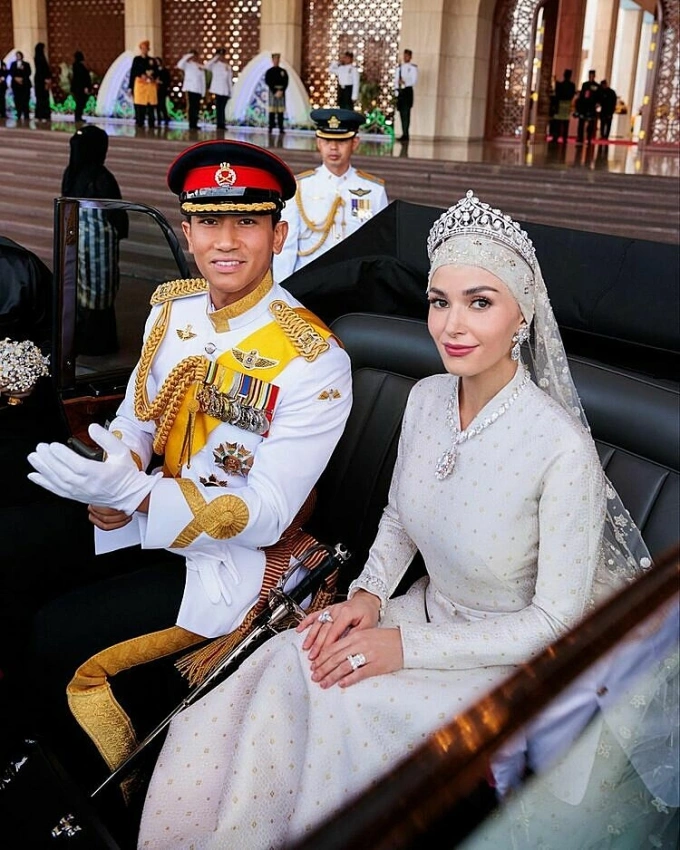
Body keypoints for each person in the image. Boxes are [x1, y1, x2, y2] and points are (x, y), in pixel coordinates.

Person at [134, 188, 677, 849]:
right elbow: (397, 516)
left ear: (522, 314)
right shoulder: (424, 399)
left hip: (506, 662)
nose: (452, 324)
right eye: (440, 300)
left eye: (480, 302)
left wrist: (401, 648)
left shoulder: (560, 449)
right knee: (283, 662)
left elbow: (555, 626)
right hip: (420, 613)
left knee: (348, 705)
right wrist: (365, 596)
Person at [26, 139, 353, 812]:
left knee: (61, 642)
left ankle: (109, 807)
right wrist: (109, 482)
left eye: (247, 222)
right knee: (18, 554)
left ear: (278, 232)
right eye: (208, 221)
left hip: (229, 565)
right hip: (144, 522)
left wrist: (134, 494)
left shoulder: (313, 358)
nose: (224, 241)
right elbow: (136, 422)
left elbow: (265, 508)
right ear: (187, 230)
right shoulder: (171, 309)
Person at [273, 107, 388, 281]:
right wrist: (283, 290)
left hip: (355, 281)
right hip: (310, 281)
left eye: (341, 142)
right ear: (318, 143)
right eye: (327, 141)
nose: (333, 147)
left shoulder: (373, 190)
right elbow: (287, 246)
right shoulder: (300, 187)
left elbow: (380, 246)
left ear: (354, 143)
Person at [60, 125, 129, 355]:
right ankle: (99, 343)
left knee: (83, 290)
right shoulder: (100, 176)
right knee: (99, 292)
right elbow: (117, 212)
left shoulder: (72, 173)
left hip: (78, 242)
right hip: (99, 244)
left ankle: (82, 340)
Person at [129, 41, 157, 129]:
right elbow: (133, 72)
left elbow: (156, 71)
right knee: (139, 105)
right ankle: (139, 122)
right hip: (140, 84)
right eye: (142, 48)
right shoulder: (136, 59)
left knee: (151, 105)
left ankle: (151, 123)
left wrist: (152, 76)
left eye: (146, 48)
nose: (144, 50)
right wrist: (130, 87)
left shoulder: (152, 60)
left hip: (150, 85)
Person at [177, 49, 206, 130]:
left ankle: (195, 123)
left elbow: (202, 80)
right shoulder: (187, 64)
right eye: (193, 56)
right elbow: (179, 64)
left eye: (195, 56)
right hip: (190, 88)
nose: (195, 58)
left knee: (196, 107)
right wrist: (188, 56)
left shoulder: (199, 66)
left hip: (198, 90)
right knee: (192, 107)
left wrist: (203, 91)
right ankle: (191, 124)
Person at [393, 48, 418, 141]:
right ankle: (403, 133)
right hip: (400, 92)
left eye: (407, 55)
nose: (405, 57)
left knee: (406, 113)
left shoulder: (413, 68)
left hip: (407, 91)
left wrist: (405, 82)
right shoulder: (399, 68)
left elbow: (414, 80)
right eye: (404, 55)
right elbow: (396, 81)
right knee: (401, 113)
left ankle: (406, 134)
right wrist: (396, 91)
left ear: (410, 57)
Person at [205, 47, 233, 130]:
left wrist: (231, 92)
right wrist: (215, 58)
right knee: (219, 108)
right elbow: (206, 66)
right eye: (219, 55)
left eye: (222, 55)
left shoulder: (227, 66)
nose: (221, 57)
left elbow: (229, 80)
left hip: (225, 90)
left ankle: (222, 124)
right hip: (217, 89)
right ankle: (219, 124)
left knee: (223, 108)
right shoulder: (214, 65)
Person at [264, 52, 288, 134]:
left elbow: (286, 82)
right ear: (272, 60)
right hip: (273, 92)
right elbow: (268, 81)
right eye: (274, 59)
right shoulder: (269, 72)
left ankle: (281, 128)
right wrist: (275, 91)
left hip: (281, 92)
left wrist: (282, 91)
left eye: (277, 59)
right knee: (272, 111)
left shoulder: (283, 71)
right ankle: (270, 127)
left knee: (280, 111)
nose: (276, 61)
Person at [574, 69, 600, 144]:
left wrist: (597, 103)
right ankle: (580, 137)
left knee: (591, 123)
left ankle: (589, 137)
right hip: (584, 106)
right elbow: (582, 95)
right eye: (590, 75)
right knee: (581, 122)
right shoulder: (585, 85)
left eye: (592, 75)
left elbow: (598, 96)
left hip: (591, 106)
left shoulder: (596, 86)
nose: (591, 77)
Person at [551, 68, 575, 143]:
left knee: (557, 122)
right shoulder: (572, 85)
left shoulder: (560, 85)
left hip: (560, 104)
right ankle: (565, 137)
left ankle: (556, 136)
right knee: (565, 122)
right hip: (567, 104)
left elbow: (556, 94)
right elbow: (572, 95)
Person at [71, 50, 92, 124]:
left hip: (77, 88)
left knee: (79, 103)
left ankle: (78, 117)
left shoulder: (76, 66)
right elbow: (83, 78)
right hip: (80, 89)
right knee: (80, 103)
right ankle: (78, 117)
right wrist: (86, 87)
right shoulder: (80, 67)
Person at [9, 51, 31, 120]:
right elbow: (11, 72)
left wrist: (22, 79)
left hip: (24, 84)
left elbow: (29, 72)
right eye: (17, 55)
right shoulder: (13, 64)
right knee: (17, 99)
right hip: (16, 85)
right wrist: (16, 78)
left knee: (25, 99)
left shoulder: (26, 64)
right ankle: (18, 113)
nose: (18, 56)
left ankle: (26, 114)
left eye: (19, 55)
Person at [33, 42, 52, 121]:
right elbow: (42, 71)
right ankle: (43, 115)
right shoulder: (40, 59)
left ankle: (40, 115)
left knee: (40, 98)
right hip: (41, 81)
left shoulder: (38, 57)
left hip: (39, 80)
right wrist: (46, 80)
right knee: (43, 98)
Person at [155, 57, 171, 126]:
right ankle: (159, 118)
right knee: (157, 105)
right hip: (156, 90)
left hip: (162, 90)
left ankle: (166, 118)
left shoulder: (165, 71)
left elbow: (168, 81)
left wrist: (161, 82)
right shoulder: (155, 71)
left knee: (162, 105)